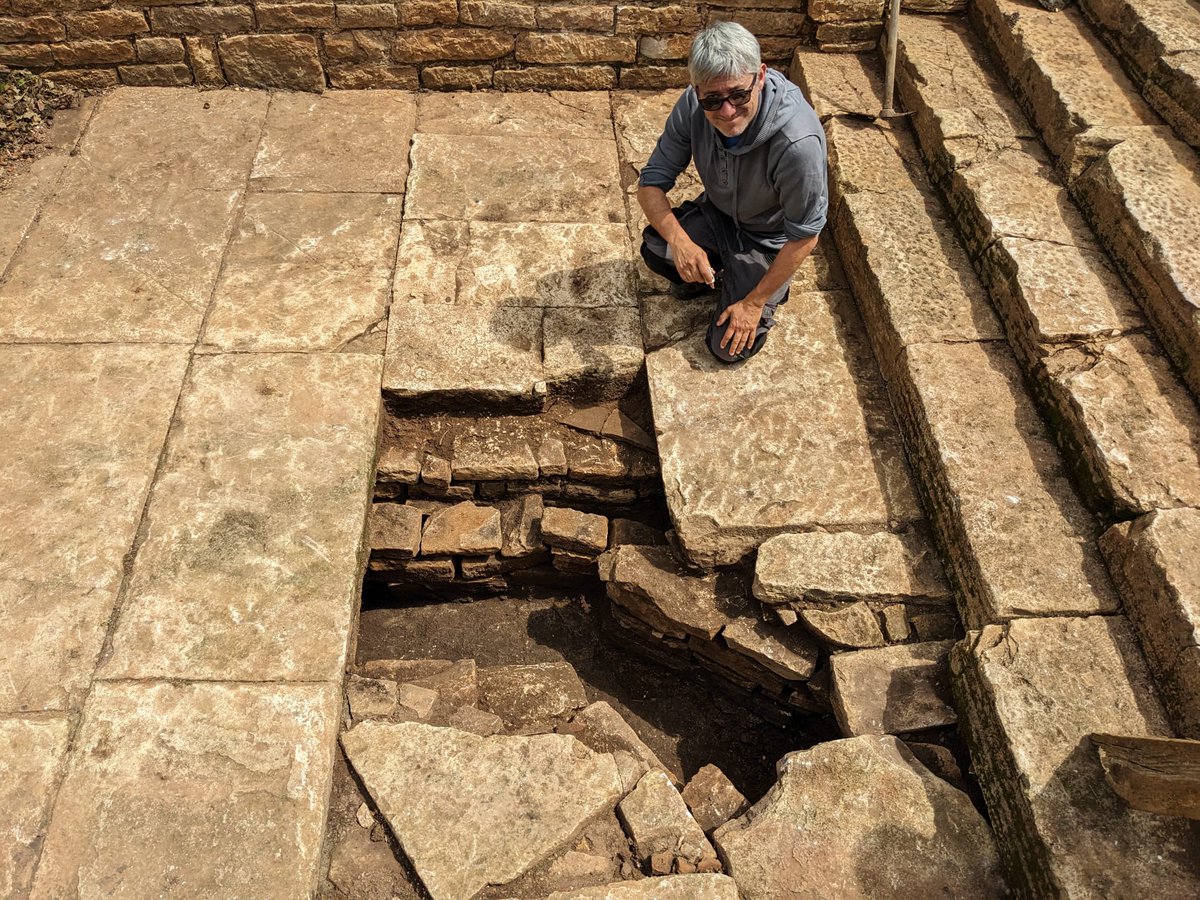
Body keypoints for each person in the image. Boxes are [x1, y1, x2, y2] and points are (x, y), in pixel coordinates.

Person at [638, 22, 828, 362]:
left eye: (738, 95)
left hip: (768, 241)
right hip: (718, 214)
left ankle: (760, 286)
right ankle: (715, 273)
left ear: (761, 76)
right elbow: (651, 183)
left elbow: (805, 236)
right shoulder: (692, 105)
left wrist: (754, 303)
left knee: (727, 349)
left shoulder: (798, 144)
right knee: (659, 248)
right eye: (712, 99)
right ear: (697, 90)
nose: (727, 111)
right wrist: (683, 245)